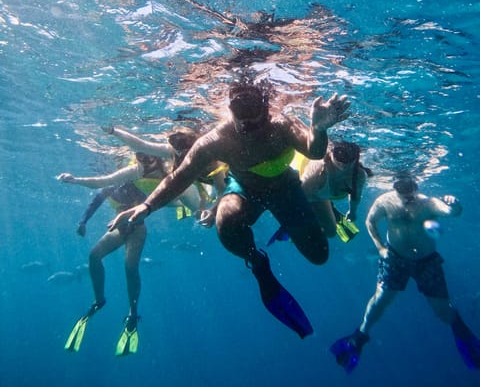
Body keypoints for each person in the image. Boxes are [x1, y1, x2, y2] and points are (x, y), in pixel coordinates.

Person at [109, 79, 350, 338]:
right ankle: (257, 263)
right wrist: (147, 205)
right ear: (230, 113)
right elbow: (180, 176)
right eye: (242, 123)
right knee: (226, 221)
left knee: (319, 256)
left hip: (286, 188)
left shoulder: (282, 125)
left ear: (266, 109)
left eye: (256, 122)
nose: (250, 129)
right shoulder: (218, 139)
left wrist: (319, 128)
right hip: (246, 188)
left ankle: (302, 214)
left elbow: (314, 151)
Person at [57, 132, 202, 355]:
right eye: (140, 158)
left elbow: (168, 195)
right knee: (94, 256)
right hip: (121, 226)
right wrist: (77, 188)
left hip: (137, 226)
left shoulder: (162, 172)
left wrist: (197, 208)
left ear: (156, 156)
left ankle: (133, 313)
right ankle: (99, 301)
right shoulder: (131, 174)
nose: (145, 162)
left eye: (149, 157)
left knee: (130, 267)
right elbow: (99, 189)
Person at [330, 177, 480, 372]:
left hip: (427, 262)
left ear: (416, 187)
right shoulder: (385, 201)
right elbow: (370, 221)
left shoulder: (428, 203)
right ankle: (360, 336)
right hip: (395, 257)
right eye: (403, 191)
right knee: (381, 299)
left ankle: (463, 334)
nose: (408, 195)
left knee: (442, 311)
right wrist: (380, 248)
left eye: (411, 190)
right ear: (395, 188)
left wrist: (455, 205)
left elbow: (452, 212)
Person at [269, 140, 372, 245]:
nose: (345, 160)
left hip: (319, 195)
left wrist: (352, 212)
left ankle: (329, 208)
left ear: (357, 155)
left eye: (351, 153)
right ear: (331, 152)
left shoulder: (359, 175)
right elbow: (298, 201)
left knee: (331, 233)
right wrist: (288, 224)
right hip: (304, 190)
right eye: (340, 152)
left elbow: (355, 196)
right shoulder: (317, 174)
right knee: (301, 220)